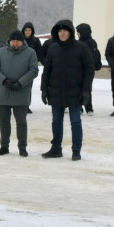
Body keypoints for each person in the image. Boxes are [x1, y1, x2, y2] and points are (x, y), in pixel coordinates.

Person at [40, 20, 94, 161]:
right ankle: (56, 148)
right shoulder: (53, 48)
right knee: (56, 120)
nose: (62, 33)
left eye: (65, 30)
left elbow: (89, 70)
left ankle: (76, 150)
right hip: (56, 91)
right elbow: (47, 70)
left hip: (75, 91)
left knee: (75, 121)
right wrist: (44, 89)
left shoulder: (81, 47)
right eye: (60, 31)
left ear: (70, 32)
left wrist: (86, 90)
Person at [0, 30, 38, 157]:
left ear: (22, 42)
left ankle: (22, 147)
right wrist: (4, 80)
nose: (15, 44)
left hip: (21, 92)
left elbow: (33, 70)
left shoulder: (30, 53)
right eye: (13, 41)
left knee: (21, 121)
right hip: (3, 91)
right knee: (3, 122)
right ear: (9, 41)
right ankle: (4, 146)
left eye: (18, 41)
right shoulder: (0, 52)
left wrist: (20, 83)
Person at [75, 23, 102, 115]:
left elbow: (94, 56)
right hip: (78, 70)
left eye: (78, 32)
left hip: (88, 70)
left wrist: (93, 65)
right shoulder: (78, 42)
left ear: (83, 32)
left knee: (87, 88)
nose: (77, 34)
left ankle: (89, 108)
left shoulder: (91, 42)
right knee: (78, 88)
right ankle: (79, 107)